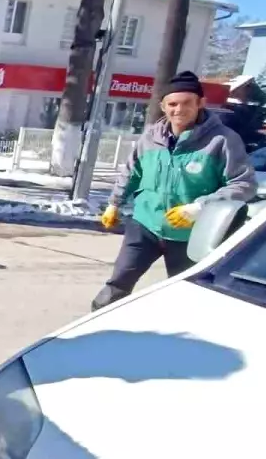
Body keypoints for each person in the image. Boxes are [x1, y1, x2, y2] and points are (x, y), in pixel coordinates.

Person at [92, 70, 256, 311]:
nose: (178, 110)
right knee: (117, 284)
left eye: (187, 103)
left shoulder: (222, 140)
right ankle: (96, 327)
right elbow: (132, 172)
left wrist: (199, 208)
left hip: (190, 234)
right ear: (163, 105)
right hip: (145, 226)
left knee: (187, 294)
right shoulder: (150, 137)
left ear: (201, 103)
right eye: (172, 104)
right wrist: (114, 203)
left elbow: (244, 184)